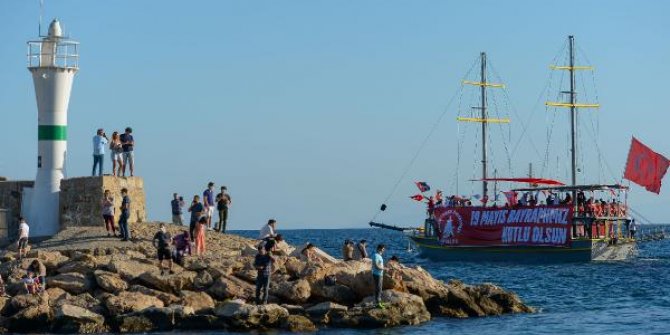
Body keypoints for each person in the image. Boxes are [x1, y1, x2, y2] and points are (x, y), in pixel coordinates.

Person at [372, 244, 386, 308]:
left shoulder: (379, 256)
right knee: (378, 289)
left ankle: (379, 301)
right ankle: (377, 303)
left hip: (379, 274)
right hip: (377, 274)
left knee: (379, 289)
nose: (384, 250)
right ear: (380, 249)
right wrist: (385, 268)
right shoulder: (376, 255)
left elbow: (379, 265)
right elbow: (377, 266)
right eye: (383, 249)